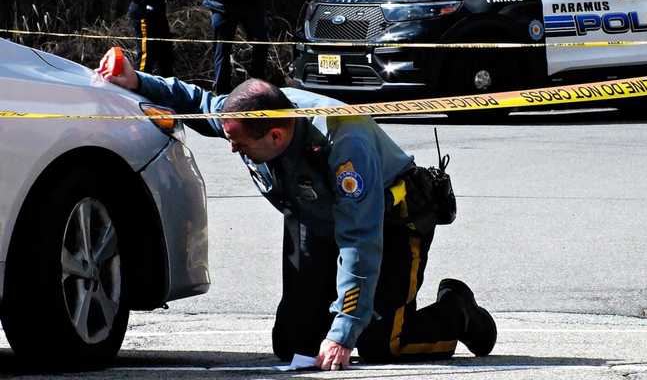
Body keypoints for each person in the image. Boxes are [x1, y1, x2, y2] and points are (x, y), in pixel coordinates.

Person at [96, 55, 497, 370]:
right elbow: (200, 103)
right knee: (293, 345)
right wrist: (136, 80)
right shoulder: (249, 117)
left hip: (390, 224)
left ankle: (458, 312)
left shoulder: (344, 141)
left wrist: (342, 332)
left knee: (379, 344)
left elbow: (360, 240)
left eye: (239, 144)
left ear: (275, 135)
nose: (232, 149)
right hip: (313, 221)